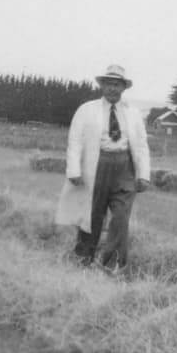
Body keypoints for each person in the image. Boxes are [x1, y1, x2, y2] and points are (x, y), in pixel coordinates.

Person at [55, 64, 151, 271]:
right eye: (108, 84)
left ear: (124, 88)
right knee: (92, 214)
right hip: (96, 165)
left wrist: (143, 175)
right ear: (102, 86)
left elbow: (142, 145)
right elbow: (75, 141)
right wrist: (73, 170)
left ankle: (112, 265)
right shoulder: (86, 110)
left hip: (125, 168)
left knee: (121, 217)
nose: (112, 89)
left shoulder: (133, 113)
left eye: (117, 84)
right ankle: (83, 258)